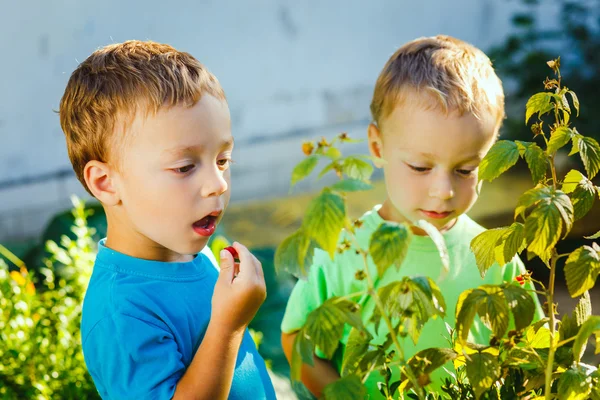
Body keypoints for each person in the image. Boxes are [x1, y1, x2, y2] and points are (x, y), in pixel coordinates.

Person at [280, 35, 543, 397]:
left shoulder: (496, 257)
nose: (443, 190)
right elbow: (298, 340)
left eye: (466, 170)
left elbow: (533, 352)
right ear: (377, 147)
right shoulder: (346, 252)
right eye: (420, 167)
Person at [59, 40, 276, 399]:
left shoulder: (192, 254)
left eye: (223, 160)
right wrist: (228, 326)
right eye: (185, 167)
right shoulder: (121, 312)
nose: (217, 183)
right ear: (106, 183)